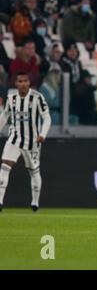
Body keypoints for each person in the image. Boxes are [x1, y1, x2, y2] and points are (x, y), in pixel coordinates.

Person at [0, 71, 51, 212]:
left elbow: (47, 118)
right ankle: (0, 201)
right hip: (14, 139)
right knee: (5, 166)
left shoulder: (37, 98)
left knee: (33, 171)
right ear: (16, 83)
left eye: (25, 81)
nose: (23, 84)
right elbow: (5, 115)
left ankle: (35, 202)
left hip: (33, 142)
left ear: (29, 83)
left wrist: (42, 134)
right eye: (20, 81)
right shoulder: (11, 98)